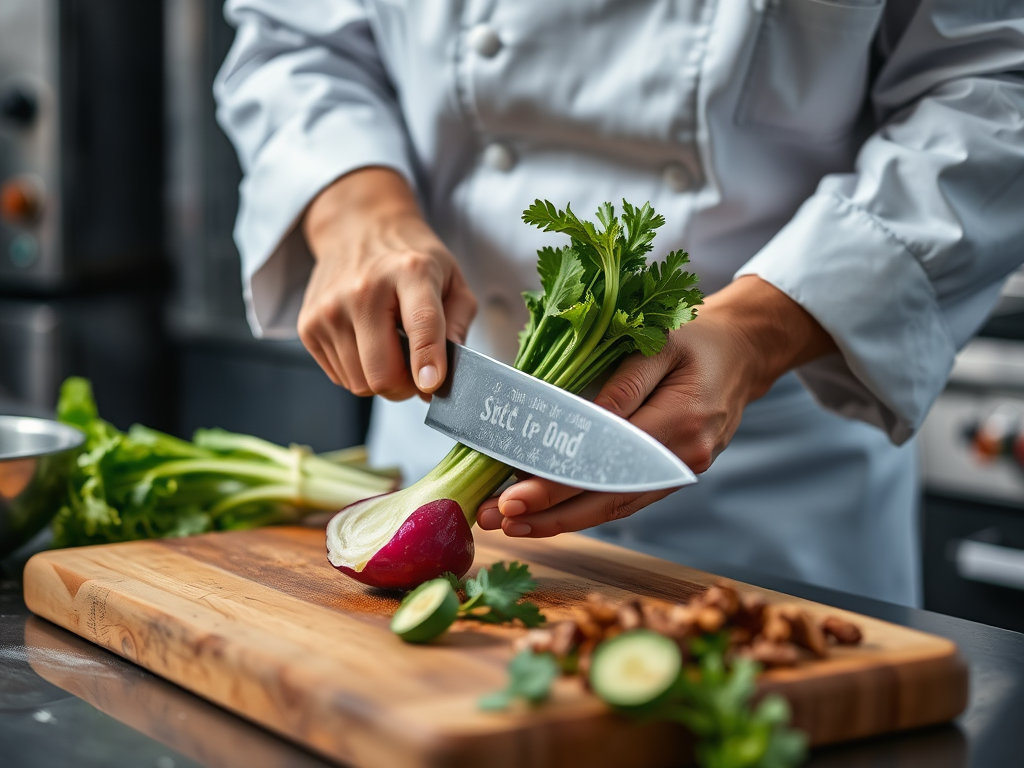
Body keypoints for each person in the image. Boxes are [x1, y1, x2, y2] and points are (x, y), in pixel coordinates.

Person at [214, 1, 1024, 606]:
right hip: (451, 401)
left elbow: (997, 88)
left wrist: (759, 329)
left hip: (775, 481)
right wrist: (357, 206)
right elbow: (296, 38)